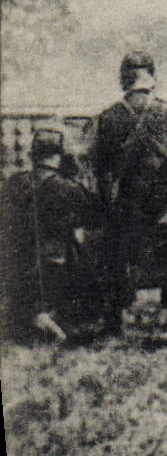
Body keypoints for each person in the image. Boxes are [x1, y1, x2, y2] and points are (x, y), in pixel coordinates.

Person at [91, 51, 167, 342]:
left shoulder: (109, 118)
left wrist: (110, 205)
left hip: (128, 213)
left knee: (115, 260)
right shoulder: (166, 112)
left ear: (123, 80)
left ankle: (115, 327)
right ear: (152, 78)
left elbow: (100, 170)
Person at [1, 130, 104, 341]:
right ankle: (55, 320)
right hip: (55, 266)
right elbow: (95, 218)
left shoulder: (13, 182)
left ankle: (33, 317)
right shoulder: (67, 186)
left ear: (32, 155)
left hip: (15, 264)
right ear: (61, 156)